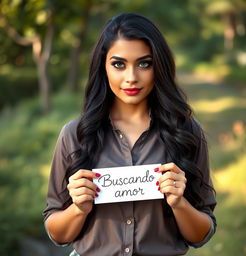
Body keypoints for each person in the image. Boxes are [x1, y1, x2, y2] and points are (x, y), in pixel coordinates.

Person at [43, 13, 217, 256]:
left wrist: (179, 203)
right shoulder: (75, 134)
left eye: (144, 63)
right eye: (119, 64)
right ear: (103, 66)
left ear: (159, 66)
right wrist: (78, 209)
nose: (131, 77)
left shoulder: (187, 132)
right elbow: (56, 232)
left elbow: (202, 234)